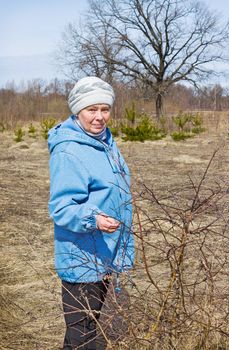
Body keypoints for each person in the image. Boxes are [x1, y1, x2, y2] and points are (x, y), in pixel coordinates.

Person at [48, 76, 134, 349]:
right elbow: (61, 208)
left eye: (104, 109)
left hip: (104, 252)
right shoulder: (69, 151)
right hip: (81, 257)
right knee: (83, 336)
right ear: (77, 110)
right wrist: (94, 219)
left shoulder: (105, 142)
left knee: (86, 328)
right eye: (91, 110)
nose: (99, 117)